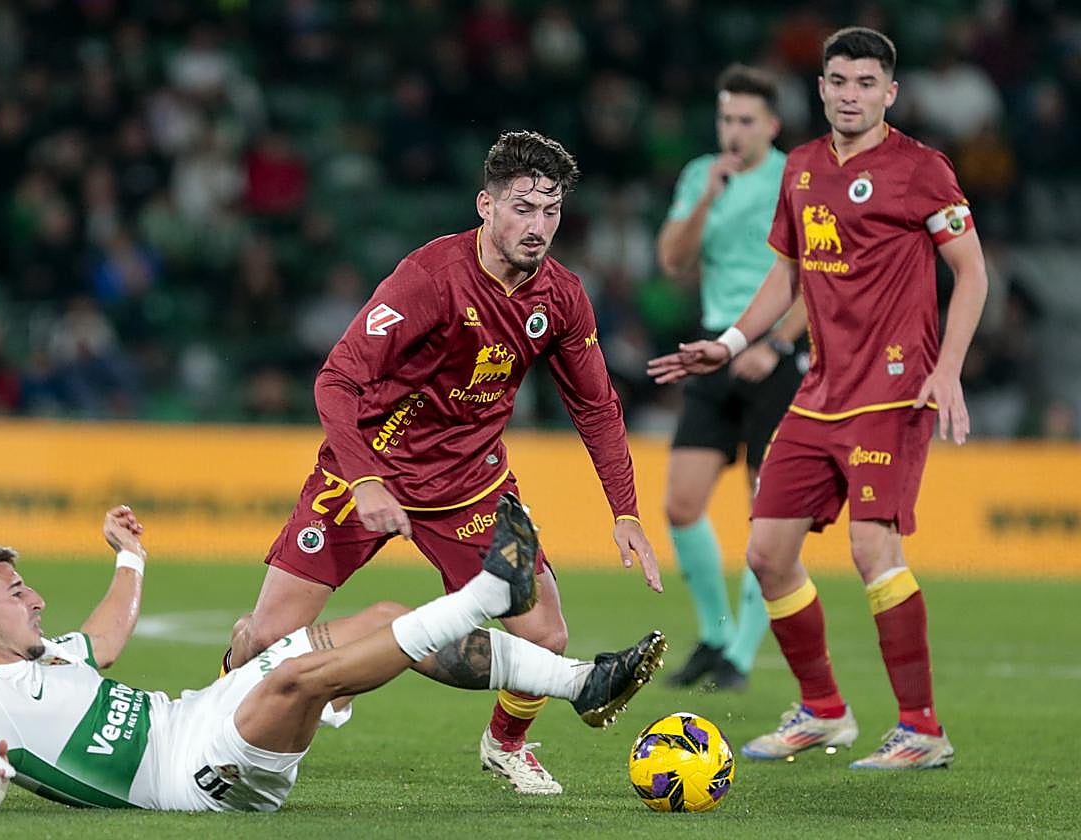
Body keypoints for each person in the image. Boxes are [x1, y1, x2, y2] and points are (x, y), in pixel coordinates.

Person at [226, 130, 662, 795]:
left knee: (545, 634)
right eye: (522, 208)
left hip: (469, 485)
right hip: (364, 472)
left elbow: (597, 406)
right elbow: (337, 380)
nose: (538, 226)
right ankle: (215, 717)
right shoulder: (430, 278)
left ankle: (506, 744)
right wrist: (365, 478)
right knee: (268, 639)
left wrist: (625, 511)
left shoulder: (561, 297)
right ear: (486, 205)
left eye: (551, 211)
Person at [648, 27, 987, 770]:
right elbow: (785, 277)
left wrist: (948, 368)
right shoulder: (800, 167)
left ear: (890, 92)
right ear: (822, 87)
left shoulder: (921, 169)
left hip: (893, 388)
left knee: (872, 549)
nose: (850, 94)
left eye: (866, 83)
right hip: (818, 391)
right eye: (838, 81)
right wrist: (730, 344)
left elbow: (972, 270)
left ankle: (922, 729)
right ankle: (823, 712)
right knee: (767, 553)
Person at [0, 500, 666, 811]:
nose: (37, 599)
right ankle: (487, 595)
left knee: (381, 618)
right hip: (190, 777)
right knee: (303, 678)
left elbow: (104, 638)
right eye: (17, 592)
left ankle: (582, 681)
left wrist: (129, 556)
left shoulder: (45, 659)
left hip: (198, 714)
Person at [655, 64, 808, 693]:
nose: (733, 131)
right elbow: (672, 261)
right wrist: (708, 199)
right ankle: (716, 633)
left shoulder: (795, 178)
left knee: (765, 515)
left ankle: (740, 656)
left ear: (771, 125)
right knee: (681, 503)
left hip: (776, 355)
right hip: (715, 348)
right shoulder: (702, 175)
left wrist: (775, 343)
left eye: (746, 120)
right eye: (726, 119)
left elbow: (816, 275)